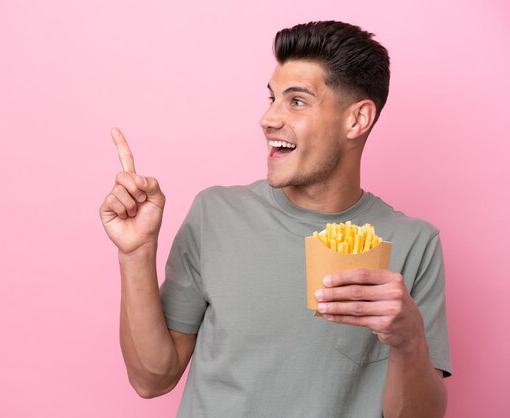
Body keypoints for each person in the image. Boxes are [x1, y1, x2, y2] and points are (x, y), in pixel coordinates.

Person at [100, 21, 451, 418]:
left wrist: (408, 339)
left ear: (357, 120)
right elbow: (152, 379)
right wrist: (136, 253)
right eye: (272, 99)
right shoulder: (215, 214)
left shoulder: (413, 243)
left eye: (296, 101)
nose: (268, 119)